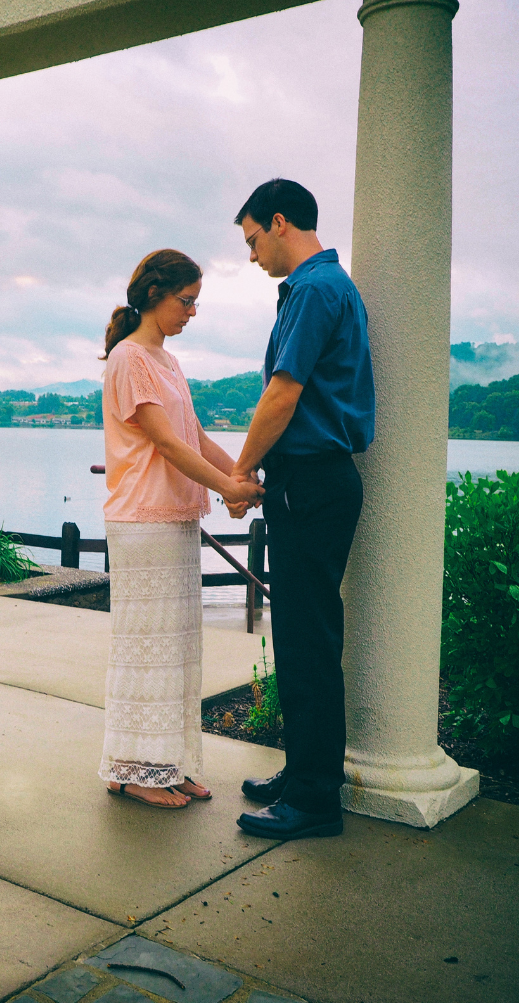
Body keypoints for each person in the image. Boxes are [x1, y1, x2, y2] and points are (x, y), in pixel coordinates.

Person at [227, 178, 375, 839]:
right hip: (313, 484)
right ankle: (305, 771)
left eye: (254, 239)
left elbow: (284, 392)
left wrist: (240, 468)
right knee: (299, 637)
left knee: (309, 641)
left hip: (312, 483)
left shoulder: (314, 290)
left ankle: (315, 799)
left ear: (280, 222)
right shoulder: (323, 287)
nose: (252, 256)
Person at [100, 249, 264, 809]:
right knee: (145, 652)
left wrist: (240, 473)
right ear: (153, 295)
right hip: (141, 521)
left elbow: (192, 436)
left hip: (173, 519)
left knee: (177, 653)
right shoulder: (128, 358)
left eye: (196, 303)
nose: (192, 312)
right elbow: (166, 445)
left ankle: (167, 765)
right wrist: (229, 488)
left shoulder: (167, 361)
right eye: (185, 301)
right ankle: (132, 772)